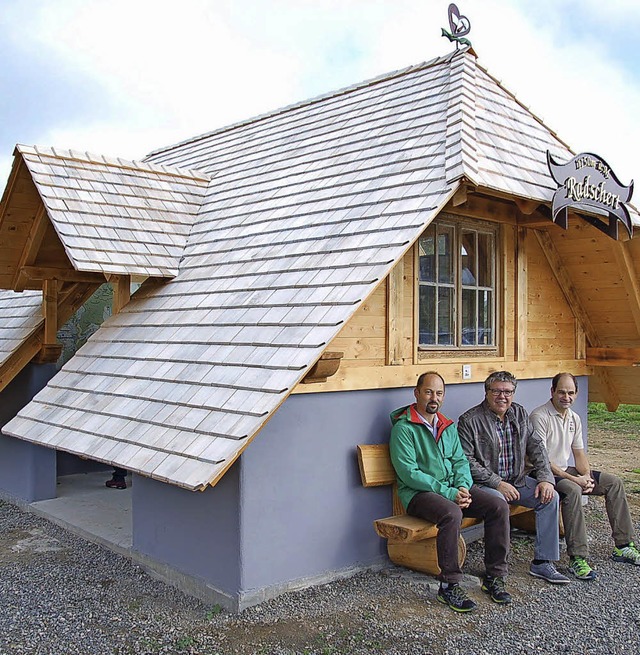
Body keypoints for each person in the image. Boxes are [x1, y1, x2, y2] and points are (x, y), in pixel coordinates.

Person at [389, 371, 512, 612]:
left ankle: (494, 576)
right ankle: (449, 586)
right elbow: (409, 473)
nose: (433, 398)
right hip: (418, 495)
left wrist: (463, 486)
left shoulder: (446, 425)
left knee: (497, 506)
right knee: (451, 513)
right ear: (417, 393)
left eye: (439, 393)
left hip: (451, 489)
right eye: (428, 392)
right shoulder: (404, 428)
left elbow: (460, 461)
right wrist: (449, 493)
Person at [457, 371, 570, 585]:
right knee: (498, 503)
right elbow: (467, 461)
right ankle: (497, 570)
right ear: (487, 392)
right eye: (497, 391)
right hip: (485, 484)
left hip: (517, 481)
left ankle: (542, 562)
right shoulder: (470, 420)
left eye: (508, 392)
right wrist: (497, 483)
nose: (503, 396)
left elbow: (537, 448)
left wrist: (546, 478)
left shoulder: (519, 414)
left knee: (550, 497)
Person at [530, 372, 640, 580]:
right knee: (572, 490)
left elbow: (579, 453)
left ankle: (623, 546)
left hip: (564, 469)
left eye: (571, 393)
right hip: (542, 473)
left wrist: (587, 477)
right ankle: (577, 558)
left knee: (613, 482)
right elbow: (542, 460)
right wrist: (575, 480)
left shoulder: (574, 418)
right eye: (561, 392)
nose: (566, 397)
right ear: (552, 391)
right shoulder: (539, 416)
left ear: (576, 394)